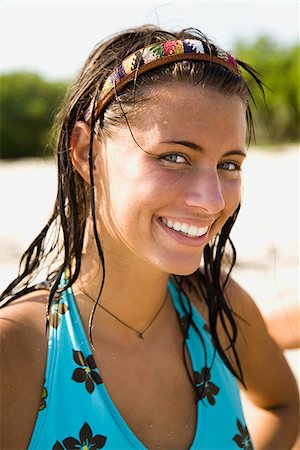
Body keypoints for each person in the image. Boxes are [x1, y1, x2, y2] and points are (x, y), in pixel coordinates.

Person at [0, 25, 299, 450]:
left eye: (229, 164)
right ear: (86, 152)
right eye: (174, 157)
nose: (211, 200)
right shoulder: (18, 352)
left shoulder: (217, 309)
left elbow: (284, 405)